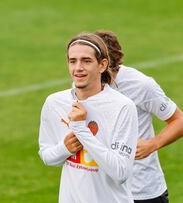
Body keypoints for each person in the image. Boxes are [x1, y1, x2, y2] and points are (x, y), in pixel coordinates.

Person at [38, 32, 138, 203]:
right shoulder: (55, 102)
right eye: (73, 61)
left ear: (102, 65)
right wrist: (65, 148)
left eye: (86, 61)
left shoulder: (122, 106)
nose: (78, 68)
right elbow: (46, 155)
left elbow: (120, 172)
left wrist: (80, 129)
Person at [94, 30, 183, 203]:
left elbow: (181, 122)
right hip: (102, 189)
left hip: (141, 191)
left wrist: (152, 144)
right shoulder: (85, 83)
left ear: (107, 64)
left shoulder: (141, 85)